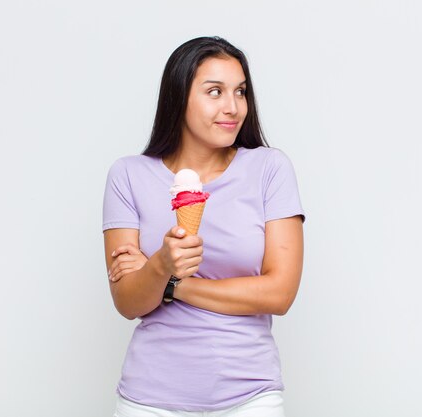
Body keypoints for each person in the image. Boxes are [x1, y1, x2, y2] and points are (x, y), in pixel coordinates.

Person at [102, 36, 305, 417]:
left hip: (250, 396)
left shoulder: (269, 169)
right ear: (179, 97)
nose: (233, 107)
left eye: (240, 92)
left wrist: (170, 283)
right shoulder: (128, 175)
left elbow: (280, 293)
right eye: (215, 92)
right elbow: (128, 302)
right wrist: (162, 265)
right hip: (149, 399)